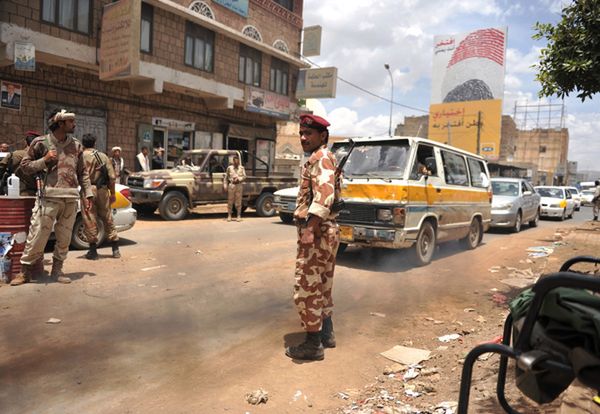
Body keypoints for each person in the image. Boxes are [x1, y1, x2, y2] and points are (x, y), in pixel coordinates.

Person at [10, 109, 93, 286]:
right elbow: (24, 166)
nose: (74, 124)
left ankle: (57, 270)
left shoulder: (77, 146)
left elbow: (83, 173)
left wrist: (88, 194)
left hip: (70, 198)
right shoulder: (41, 143)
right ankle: (24, 272)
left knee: (64, 238)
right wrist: (45, 160)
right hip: (48, 197)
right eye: (71, 121)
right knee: (38, 234)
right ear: (60, 123)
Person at [285, 114, 341, 361]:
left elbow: (324, 196)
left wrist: (309, 229)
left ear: (323, 136)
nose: (303, 138)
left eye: (309, 134)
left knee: (306, 288)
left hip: (317, 232)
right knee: (322, 285)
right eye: (301, 133)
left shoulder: (320, 158)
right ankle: (326, 334)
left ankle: (312, 344)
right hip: (326, 231)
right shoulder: (323, 158)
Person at [81, 134, 120, 260]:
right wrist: (113, 193)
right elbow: (112, 178)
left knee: (89, 218)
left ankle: (93, 251)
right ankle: (115, 249)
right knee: (107, 217)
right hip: (102, 190)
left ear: (83, 144)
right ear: (95, 143)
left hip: (88, 191)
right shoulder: (102, 156)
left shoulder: (80, 156)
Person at [0, 130, 40, 196]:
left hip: (16, 193)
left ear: (25, 142)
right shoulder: (44, 157)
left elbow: (1, 170)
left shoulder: (14, 155)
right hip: (38, 195)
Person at [225, 154, 246, 222]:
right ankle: (229, 215)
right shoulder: (229, 168)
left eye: (238, 162)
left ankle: (238, 216)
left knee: (238, 202)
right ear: (233, 162)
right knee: (230, 201)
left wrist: (239, 179)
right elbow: (226, 177)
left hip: (239, 186)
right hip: (232, 186)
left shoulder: (241, 168)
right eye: (235, 162)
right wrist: (225, 184)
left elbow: (245, 176)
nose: (236, 163)